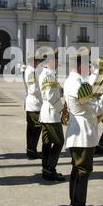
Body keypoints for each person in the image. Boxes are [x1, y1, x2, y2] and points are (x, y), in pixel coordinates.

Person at [64, 55, 103, 206]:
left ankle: (76, 202)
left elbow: (89, 103)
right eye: (88, 65)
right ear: (80, 66)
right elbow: (98, 108)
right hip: (83, 132)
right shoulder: (80, 84)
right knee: (83, 170)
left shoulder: (71, 81)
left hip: (78, 128)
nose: (91, 69)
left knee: (77, 169)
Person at [39, 50, 66, 182]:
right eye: (56, 60)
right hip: (51, 114)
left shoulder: (48, 74)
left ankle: (46, 169)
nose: (58, 63)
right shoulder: (48, 75)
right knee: (59, 142)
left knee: (47, 142)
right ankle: (50, 169)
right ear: (50, 61)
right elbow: (50, 96)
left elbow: (55, 92)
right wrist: (62, 109)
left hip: (47, 113)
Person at [23, 57, 43, 160]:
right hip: (35, 103)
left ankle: (31, 150)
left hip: (31, 103)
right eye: (38, 61)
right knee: (36, 128)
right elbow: (34, 89)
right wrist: (43, 94)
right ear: (34, 61)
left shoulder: (30, 70)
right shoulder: (31, 72)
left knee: (31, 128)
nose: (39, 63)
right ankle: (32, 151)